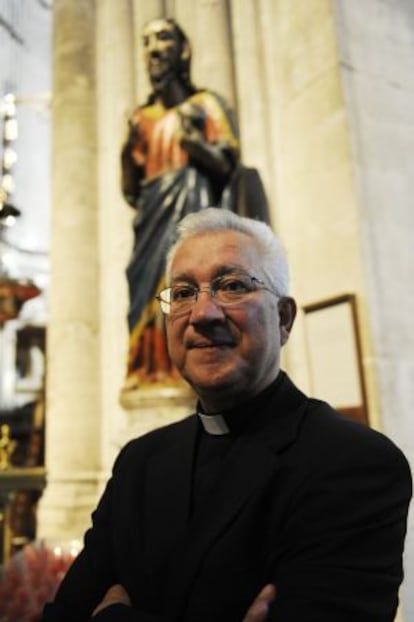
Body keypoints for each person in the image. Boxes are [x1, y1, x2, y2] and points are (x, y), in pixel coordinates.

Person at [42, 208, 412, 622]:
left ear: (284, 318)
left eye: (232, 285)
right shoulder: (140, 463)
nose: (203, 313)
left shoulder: (355, 463)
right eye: (182, 293)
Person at [120, 17, 269, 388]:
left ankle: (192, 365)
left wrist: (195, 146)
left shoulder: (204, 105)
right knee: (146, 295)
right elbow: (130, 192)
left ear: (182, 50)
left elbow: (229, 164)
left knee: (188, 283)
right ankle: (150, 370)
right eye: (148, 41)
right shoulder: (139, 119)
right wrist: (126, 154)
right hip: (152, 216)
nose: (155, 49)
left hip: (192, 208)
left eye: (164, 38)